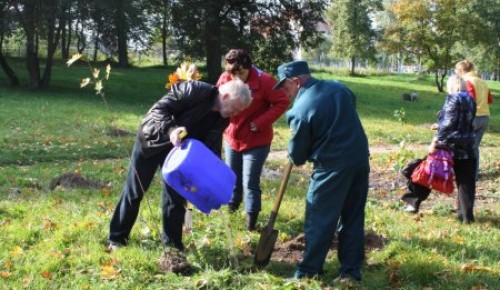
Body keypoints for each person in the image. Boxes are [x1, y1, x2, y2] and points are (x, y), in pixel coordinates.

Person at [107, 78, 252, 251]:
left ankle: (172, 245)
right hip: (154, 140)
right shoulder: (194, 89)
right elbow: (158, 109)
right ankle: (117, 238)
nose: (235, 114)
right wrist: (171, 129)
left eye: (238, 111)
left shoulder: (222, 118)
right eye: (235, 109)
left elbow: (211, 146)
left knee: (175, 198)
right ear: (226, 96)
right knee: (135, 190)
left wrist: (212, 174)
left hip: (180, 155)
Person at [274, 60, 370, 282]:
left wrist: (297, 149)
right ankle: (350, 272)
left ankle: (308, 271)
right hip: (359, 159)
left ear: (296, 82)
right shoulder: (339, 87)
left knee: (319, 216)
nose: (285, 94)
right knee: (353, 216)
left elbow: (297, 156)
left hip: (331, 166)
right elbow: (349, 107)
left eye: (286, 88)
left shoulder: (299, 110)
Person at [216, 49, 290, 230]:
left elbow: (282, 101)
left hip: (257, 140)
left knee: (250, 181)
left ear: (248, 67)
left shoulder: (265, 81)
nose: (237, 78)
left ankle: (251, 224)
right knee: (232, 178)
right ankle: (231, 214)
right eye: (233, 73)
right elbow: (217, 100)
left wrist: (260, 122)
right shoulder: (225, 78)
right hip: (232, 137)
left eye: (240, 73)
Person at [402, 75, 477, 222]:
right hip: (468, 145)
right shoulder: (471, 99)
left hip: (449, 146)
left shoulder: (452, 98)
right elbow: (464, 121)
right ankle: (466, 217)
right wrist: (440, 125)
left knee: (425, 172)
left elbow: (449, 124)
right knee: (466, 182)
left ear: (453, 86)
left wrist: (435, 141)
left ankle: (412, 203)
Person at [455, 60, 493, 179]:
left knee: (462, 146)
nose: (456, 73)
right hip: (485, 117)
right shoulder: (482, 81)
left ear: (461, 70)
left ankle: (464, 173)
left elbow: (469, 100)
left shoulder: (466, 81)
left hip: (472, 118)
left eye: (457, 71)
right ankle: (473, 174)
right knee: (474, 146)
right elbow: (490, 100)